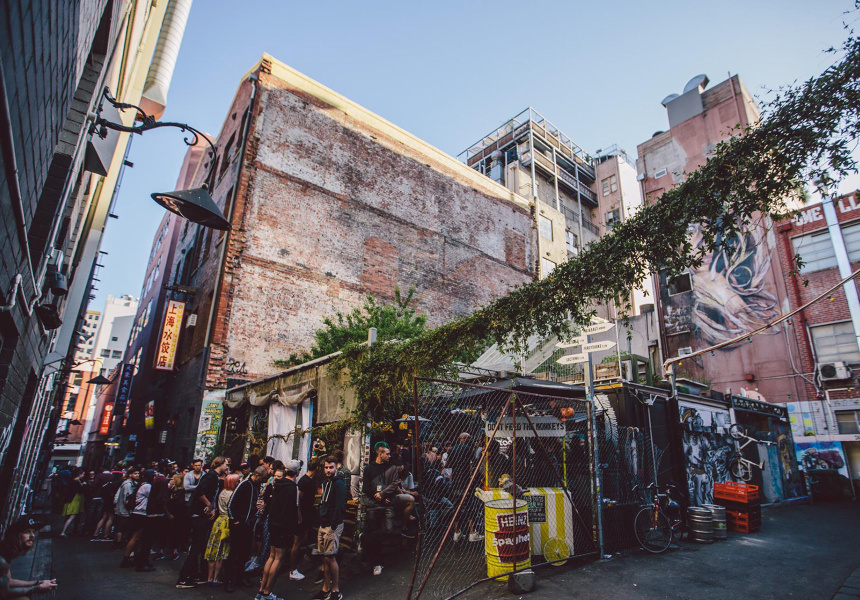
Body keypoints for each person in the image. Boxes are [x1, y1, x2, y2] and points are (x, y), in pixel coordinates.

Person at [176, 456, 229, 589]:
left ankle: (195, 575)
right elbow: (199, 491)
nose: (227, 466)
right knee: (196, 547)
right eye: (226, 464)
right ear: (220, 464)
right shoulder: (210, 476)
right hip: (198, 515)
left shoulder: (214, 477)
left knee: (199, 546)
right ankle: (183, 578)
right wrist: (209, 505)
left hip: (201, 515)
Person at [257, 461, 299, 600]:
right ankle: (267, 592)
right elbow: (289, 511)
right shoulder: (291, 488)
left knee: (271, 556)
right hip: (282, 526)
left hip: (273, 524)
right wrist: (290, 529)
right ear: (297, 472)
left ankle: (262, 589)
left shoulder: (277, 485)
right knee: (278, 559)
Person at [361, 443, 402, 576]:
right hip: (373, 504)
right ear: (380, 454)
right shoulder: (369, 469)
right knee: (375, 531)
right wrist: (378, 497)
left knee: (387, 530)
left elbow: (394, 484)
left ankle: (365, 539)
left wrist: (383, 495)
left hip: (386, 504)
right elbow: (366, 487)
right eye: (387, 454)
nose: (389, 456)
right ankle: (376, 562)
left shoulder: (392, 468)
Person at [226, 466, 267, 592]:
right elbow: (231, 504)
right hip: (239, 525)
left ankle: (239, 577)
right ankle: (229, 580)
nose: (264, 481)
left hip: (248, 525)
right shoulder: (245, 484)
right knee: (234, 553)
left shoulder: (255, 486)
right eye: (263, 478)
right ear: (258, 475)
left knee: (244, 553)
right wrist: (235, 520)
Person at [313, 456, 346, 600]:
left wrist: (333, 525)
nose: (328, 470)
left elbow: (340, 506)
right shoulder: (325, 483)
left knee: (331, 557)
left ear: (336, 468)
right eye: (326, 467)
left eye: (330, 467)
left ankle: (335, 590)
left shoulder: (339, 484)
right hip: (323, 524)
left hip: (332, 525)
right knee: (325, 558)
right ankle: (325, 588)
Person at [0, 516, 57, 598]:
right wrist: (38, 588)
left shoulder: (6, 553)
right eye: (27, 532)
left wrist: (38, 583)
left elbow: (9, 581)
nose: (32, 536)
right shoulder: (2, 560)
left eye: (33, 532)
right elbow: (4, 593)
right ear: (16, 536)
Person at [205, 473, 239, 587]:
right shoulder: (232, 494)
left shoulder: (221, 493)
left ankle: (209, 578)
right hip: (226, 523)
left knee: (213, 549)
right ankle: (215, 578)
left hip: (218, 521)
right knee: (222, 551)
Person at [448, 433, 482, 542]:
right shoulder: (468, 448)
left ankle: (456, 532)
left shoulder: (452, 449)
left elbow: (448, 464)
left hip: (455, 482)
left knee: (456, 506)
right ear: (466, 439)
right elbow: (474, 462)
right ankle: (472, 532)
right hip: (465, 481)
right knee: (469, 505)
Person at [291, 458, 318, 582]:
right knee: (296, 542)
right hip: (302, 515)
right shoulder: (304, 481)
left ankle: (300, 561)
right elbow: (298, 500)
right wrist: (299, 515)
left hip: (308, 514)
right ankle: (292, 569)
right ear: (317, 468)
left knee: (304, 539)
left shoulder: (312, 480)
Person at [113, 466, 140, 548]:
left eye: (138, 473)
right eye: (135, 473)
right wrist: (130, 507)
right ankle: (118, 543)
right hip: (124, 510)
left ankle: (118, 542)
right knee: (122, 527)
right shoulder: (128, 484)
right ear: (130, 475)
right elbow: (127, 498)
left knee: (121, 527)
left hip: (121, 509)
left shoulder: (128, 483)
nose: (137, 475)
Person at [59, 468, 85, 537]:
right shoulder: (76, 482)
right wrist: (83, 485)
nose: (83, 475)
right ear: (79, 474)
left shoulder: (73, 481)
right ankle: (63, 532)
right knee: (71, 517)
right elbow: (80, 490)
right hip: (74, 501)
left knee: (69, 517)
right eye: (83, 474)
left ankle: (63, 531)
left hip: (73, 500)